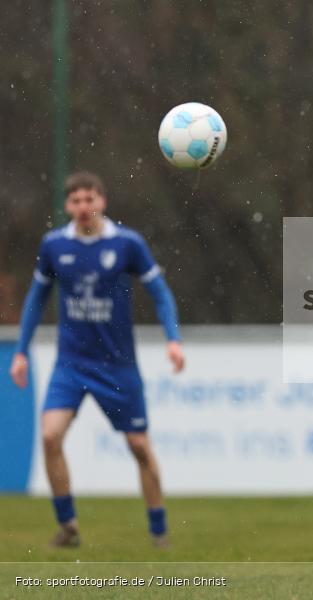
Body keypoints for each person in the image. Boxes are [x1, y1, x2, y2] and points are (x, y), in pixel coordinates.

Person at [9, 171, 184, 549]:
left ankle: (158, 530)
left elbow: (160, 293)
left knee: (139, 447)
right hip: (71, 364)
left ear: (102, 201)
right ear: (67, 206)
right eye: (76, 201)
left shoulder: (127, 244)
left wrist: (173, 339)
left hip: (118, 365)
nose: (83, 206)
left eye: (90, 199)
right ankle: (68, 526)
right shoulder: (54, 245)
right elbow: (36, 299)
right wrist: (21, 350)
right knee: (50, 436)